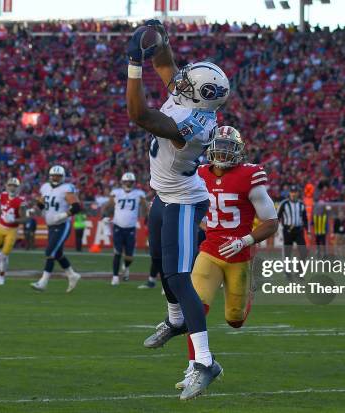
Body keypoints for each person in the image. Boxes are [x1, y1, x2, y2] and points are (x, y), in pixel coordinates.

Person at [127, 20, 229, 399]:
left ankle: (204, 362)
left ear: (199, 96)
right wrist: (160, 39)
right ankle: (175, 321)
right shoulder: (194, 100)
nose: (178, 82)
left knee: (179, 275)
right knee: (159, 261)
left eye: (187, 83)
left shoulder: (192, 123)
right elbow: (167, 65)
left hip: (184, 199)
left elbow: (139, 115)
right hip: (164, 194)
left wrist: (133, 63)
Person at [174, 126, 278, 389]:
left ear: (239, 151)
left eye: (229, 147)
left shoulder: (249, 176)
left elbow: (271, 222)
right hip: (209, 251)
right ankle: (194, 366)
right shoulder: (198, 174)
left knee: (235, 320)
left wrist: (245, 240)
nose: (222, 151)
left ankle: (247, 295)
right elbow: (189, 208)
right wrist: (204, 225)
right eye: (219, 145)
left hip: (239, 255)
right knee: (194, 308)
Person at [30, 165, 82, 293]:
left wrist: (63, 215)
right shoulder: (45, 187)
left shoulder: (67, 188)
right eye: (54, 175)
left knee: (50, 252)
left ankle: (43, 282)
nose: (55, 178)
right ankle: (72, 275)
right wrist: (34, 209)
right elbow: (41, 203)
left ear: (63, 177)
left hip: (62, 225)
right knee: (57, 253)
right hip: (51, 225)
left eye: (58, 176)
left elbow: (76, 207)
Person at [101, 172, 147, 286]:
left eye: (130, 182)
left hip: (131, 228)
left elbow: (146, 207)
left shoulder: (138, 194)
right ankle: (115, 276)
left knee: (129, 256)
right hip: (118, 226)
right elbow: (106, 206)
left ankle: (126, 267)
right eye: (126, 181)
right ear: (122, 182)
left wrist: (148, 218)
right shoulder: (116, 193)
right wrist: (104, 216)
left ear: (134, 183)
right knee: (117, 252)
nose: (128, 184)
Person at [277, 185, 308, 273]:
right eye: (292, 192)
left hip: (298, 230)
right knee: (287, 252)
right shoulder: (284, 203)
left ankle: (299, 271)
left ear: (298, 193)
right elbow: (277, 217)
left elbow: (305, 218)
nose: (293, 194)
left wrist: (307, 230)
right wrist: (276, 229)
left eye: (295, 192)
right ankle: (287, 271)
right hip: (288, 230)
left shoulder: (301, 204)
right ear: (289, 193)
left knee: (303, 251)